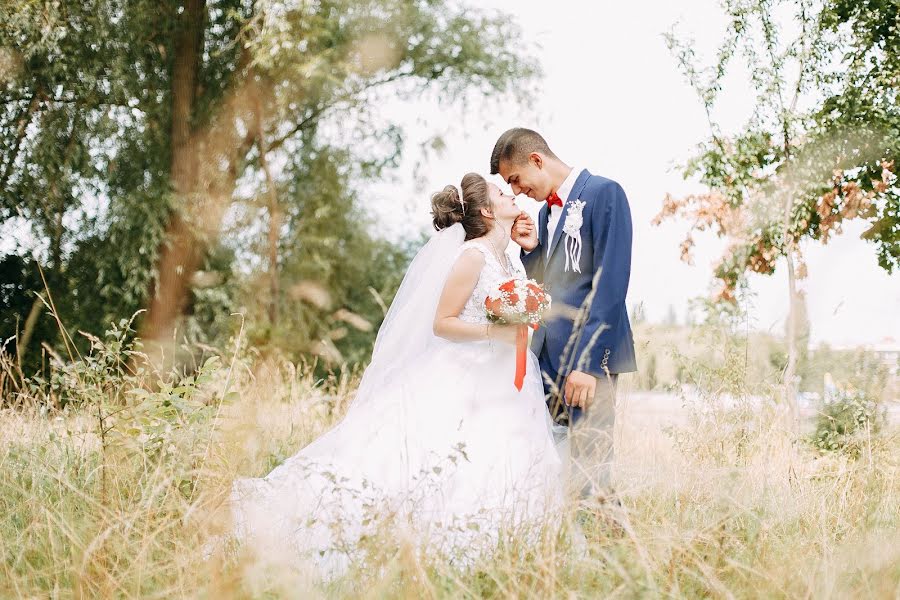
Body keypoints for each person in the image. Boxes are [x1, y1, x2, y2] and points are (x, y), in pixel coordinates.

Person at [228, 173, 563, 579]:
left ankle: (503, 550)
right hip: (465, 376)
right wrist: (498, 332)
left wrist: (527, 254)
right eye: (500, 192)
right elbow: (443, 322)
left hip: (505, 379)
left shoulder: (507, 258)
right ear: (488, 211)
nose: (511, 193)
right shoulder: (472, 256)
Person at [490, 127, 637, 505]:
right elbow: (550, 288)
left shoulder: (606, 194)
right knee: (555, 466)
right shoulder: (543, 215)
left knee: (592, 466)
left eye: (516, 180)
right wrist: (532, 252)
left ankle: (613, 554)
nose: (517, 192)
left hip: (591, 360)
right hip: (549, 361)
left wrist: (587, 365)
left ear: (537, 160)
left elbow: (610, 283)